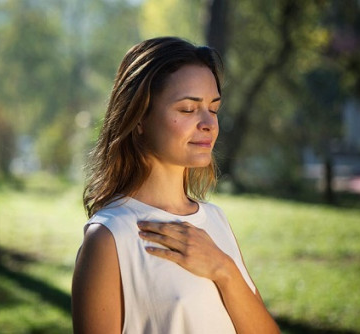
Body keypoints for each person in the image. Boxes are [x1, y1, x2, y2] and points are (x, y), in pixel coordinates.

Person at [71, 36, 280, 334]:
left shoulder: (215, 219)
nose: (209, 123)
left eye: (214, 108)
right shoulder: (109, 237)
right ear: (139, 118)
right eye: (187, 109)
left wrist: (224, 269)